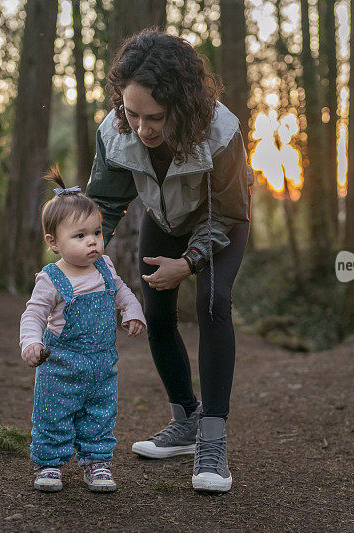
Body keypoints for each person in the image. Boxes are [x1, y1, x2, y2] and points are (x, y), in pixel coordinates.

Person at [86, 29, 252, 493]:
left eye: (155, 117)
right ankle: (185, 421)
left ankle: (213, 442)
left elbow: (231, 211)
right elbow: (105, 204)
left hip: (220, 220)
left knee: (213, 303)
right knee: (155, 311)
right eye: (132, 113)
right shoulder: (113, 132)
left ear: (183, 102)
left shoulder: (222, 130)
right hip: (162, 218)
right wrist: (78, 255)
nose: (143, 128)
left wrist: (191, 261)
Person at [19, 166, 146, 493]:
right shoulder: (51, 279)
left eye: (96, 233)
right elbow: (33, 314)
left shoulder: (104, 267)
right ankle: (49, 463)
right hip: (60, 365)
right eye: (79, 236)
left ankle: (96, 461)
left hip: (102, 364)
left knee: (101, 413)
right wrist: (31, 342)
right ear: (54, 243)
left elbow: (121, 291)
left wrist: (132, 310)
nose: (92, 242)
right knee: (53, 414)